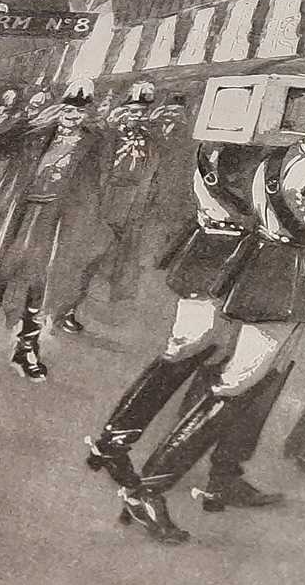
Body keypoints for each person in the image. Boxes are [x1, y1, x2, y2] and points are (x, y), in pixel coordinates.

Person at [119, 102, 305, 544]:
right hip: (284, 277)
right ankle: (148, 490)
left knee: (264, 377)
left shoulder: (285, 157)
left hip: (274, 267)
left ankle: (222, 477)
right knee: (240, 381)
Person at [82, 139, 257, 499]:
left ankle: (115, 442)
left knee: (202, 351)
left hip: (218, 252)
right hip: (218, 253)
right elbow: (236, 203)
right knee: (190, 348)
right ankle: (116, 444)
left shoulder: (219, 145)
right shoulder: (228, 151)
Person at [0, 80, 105, 381]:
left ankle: (27, 346)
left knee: (38, 280)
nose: (73, 115)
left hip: (55, 219)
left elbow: (93, 187)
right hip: (19, 214)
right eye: (69, 109)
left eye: (80, 111)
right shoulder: (37, 134)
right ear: (60, 109)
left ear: (87, 115)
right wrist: (27, 121)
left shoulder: (92, 144)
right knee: (1, 273)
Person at [60, 81, 164, 332]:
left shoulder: (151, 141)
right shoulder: (107, 137)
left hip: (131, 206)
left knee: (112, 262)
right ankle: (65, 308)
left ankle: (87, 306)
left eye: (142, 112)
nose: (138, 116)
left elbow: (152, 174)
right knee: (84, 260)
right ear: (122, 111)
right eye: (133, 111)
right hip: (101, 202)